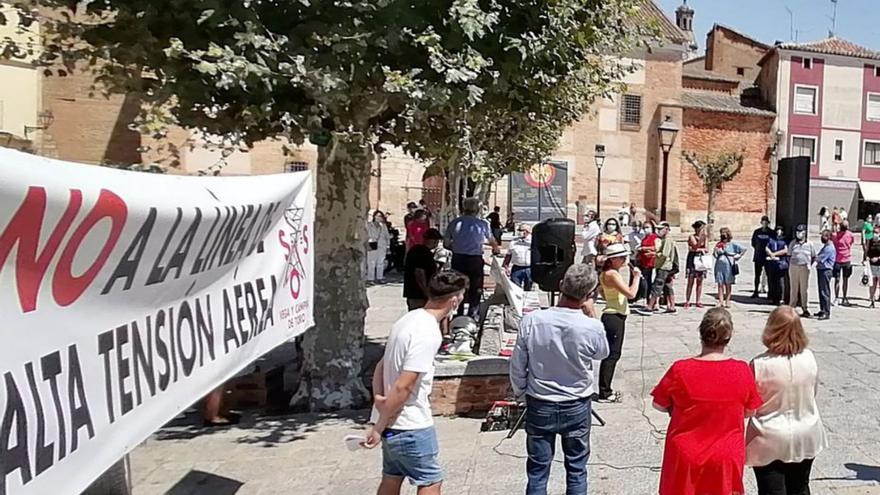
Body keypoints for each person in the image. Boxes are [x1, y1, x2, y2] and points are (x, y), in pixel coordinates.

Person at [363, 271, 469, 494]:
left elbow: (381, 367)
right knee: (430, 481)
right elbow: (405, 385)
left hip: (393, 426)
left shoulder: (407, 320)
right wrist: (382, 417)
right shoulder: (427, 332)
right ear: (454, 300)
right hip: (411, 424)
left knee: (392, 478)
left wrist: (379, 416)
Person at [509, 264, 610, 495]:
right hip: (576, 403)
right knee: (576, 469)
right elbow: (602, 353)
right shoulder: (591, 326)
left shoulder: (532, 320)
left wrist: (520, 393)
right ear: (588, 295)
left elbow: (517, 365)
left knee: (537, 470)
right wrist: (592, 314)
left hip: (540, 401)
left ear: (561, 285)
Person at [652, 308, 763, 495]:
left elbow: (659, 404)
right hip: (725, 454)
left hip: (686, 453)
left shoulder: (681, 369)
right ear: (729, 337)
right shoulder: (741, 370)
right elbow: (750, 411)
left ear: (701, 334)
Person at [746, 306, 828, 495]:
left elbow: (751, 406)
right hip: (806, 431)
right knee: (800, 487)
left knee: (771, 490)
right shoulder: (809, 358)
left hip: (769, 435)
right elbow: (812, 393)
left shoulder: (759, 364)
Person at [597, 244, 641, 403]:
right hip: (613, 315)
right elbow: (631, 294)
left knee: (613, 353)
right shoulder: (611, 275)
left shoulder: (607, 274)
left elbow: (602, 292)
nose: (624, 260)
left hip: (615, 313)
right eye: (621, 257)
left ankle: (605, 389)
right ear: (613, 259)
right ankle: (605, 392)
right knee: (612, 354)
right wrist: (636, 277)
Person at [445, 197, 501, 318]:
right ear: (477, 209)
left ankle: (458, 313)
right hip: (474, 259)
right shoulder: (482, 224)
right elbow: (492, 240)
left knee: (458, 286)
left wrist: (457, 248)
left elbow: (446, 243)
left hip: (458, 259)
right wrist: (496, 249)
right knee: (476, 288)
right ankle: (472, 314)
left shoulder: (455, 223)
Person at [403, 229, 443, 310]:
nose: (437, 243)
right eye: (435, 240)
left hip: (415, 293)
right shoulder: (421, 252)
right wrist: (426, 292)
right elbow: (419, 273)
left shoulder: (419, 251)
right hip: (418, 294)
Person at [647, 222, 678, 313]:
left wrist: (654, 254)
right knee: (668, 287)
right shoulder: (665, 239)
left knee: (657, 285)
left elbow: (664, 254)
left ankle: (650, 306)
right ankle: (672, 306)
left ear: (667, 229)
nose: (659, 231)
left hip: (664, 266)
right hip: (666, 266)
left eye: (661, 229)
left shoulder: (667, 240)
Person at [714, 227, 746, 308]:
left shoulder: (732, 244)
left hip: (729, 265)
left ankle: (728, 300)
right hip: (719, 265)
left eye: (724, 235)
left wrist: (738, 256)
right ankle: (720, 301)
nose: (723, 237)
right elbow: (714, 255)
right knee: (720, 283)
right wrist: (716, 250)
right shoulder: (719, 244)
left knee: (728, 283)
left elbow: (743, 249)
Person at [788, 225, 815, 317]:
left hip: (805, 268)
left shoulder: (810, 244)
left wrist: (809, 265)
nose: (799, 233)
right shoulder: (793, 243)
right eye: (797, 231)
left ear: (805, 233)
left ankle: (805, 308)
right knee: (794, 288)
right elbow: (789, 255)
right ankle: (792, 307)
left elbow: (813, 256)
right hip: (794, 267)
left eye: (801, 231)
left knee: (804, 289)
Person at [685, 220, 709, 309]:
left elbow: (706, 249)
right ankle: (687, 300)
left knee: (700, 281)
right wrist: (701, 242)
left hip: (701, 259)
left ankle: (698, 300)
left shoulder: (705, 238)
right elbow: (694, 247)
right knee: (690, 281)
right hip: (692, 259)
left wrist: (700, 248)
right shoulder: (691, 236)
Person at [751, 215, 776, 299]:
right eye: (763, 222)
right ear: (761, 223)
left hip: (768, 257)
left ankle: (770, 292)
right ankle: (755, 291)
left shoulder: (771, 232)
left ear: (768, 223)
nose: (764, 223)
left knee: (769, 275)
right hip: (758, 256)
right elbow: (753, 243)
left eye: (766, 222)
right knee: (757, 275)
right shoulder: (757, 232)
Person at [503, 224, 533, 291]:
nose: (519, 232)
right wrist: (506, 266)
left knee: (528, 288)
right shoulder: (514, 242)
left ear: (526, 231)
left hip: (529, 268)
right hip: (517, 268)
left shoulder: (533, 241)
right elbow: (508, 254)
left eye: (521, 230)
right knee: (515, 288)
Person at [832, 220, 855, 306]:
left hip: (840, 259)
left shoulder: (835, 235)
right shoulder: (850, 235)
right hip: (844, 259)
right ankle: (843, 298)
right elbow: (851, 243)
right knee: (844, 280)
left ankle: (838, 298)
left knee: (839, 280)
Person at [766, 225, 790, 306]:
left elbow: (786, 250)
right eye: (777, 230)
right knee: (772, 281)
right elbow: (767, 247)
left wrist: (775, 254)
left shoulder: (785, 240)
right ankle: (773, 298)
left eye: (780, 230)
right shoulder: (771, 239)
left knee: (781, 282)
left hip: (781, 263)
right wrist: (770, 254)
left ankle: (781, 298)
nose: (778, 231)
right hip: (772, 263)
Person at [367, 210, 392, 283]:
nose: (379, 218)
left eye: (380, 216)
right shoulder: (369, 225)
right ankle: (370, 278)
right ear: (374, 217)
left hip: (382, 245)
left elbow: (387, 236)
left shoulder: (383, 226)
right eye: (377, 216)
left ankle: (379, 277)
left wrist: (388, 247)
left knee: (380, 262)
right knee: (371, 262)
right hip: (373, 243)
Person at [816, 230, 836, 320]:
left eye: (824, 236)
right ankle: (822, 309)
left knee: (825, 291)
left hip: (825, 271)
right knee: (821, 290)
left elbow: (819, 258)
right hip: (821, 270)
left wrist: (813, 257)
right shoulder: (826, 246)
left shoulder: (829, 248)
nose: (822, 238)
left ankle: (826, 312)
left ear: (828, 237)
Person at [638, 221, 658, 306]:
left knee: (649, 282)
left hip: (651, 262)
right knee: (645, 281)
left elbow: (656, 247)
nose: (646, 229)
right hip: (644, 262)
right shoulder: (645, 238)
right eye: (644, 227)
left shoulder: (655, 237)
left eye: (647, 227)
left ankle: (652, 301)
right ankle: (646, 298)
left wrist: (644, 248)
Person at [868, 236, 880, 308]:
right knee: (872, 283)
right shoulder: (870, 240)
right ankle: (872, 300)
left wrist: (878, 258)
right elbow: (867, 251)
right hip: (872, 265)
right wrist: (867, 258)